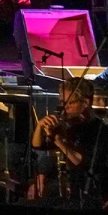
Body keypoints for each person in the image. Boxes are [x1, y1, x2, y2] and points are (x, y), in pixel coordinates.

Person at [31, 77, 105, 205]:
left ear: (85, 103)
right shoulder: (67, 125)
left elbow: (81, 161)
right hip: (67, 194)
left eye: (70, 103)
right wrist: (39, 127)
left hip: (90, 195)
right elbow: (38, 145)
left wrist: (59, 141)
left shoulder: (99, 130)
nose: (65, 108)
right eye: (62, 102)